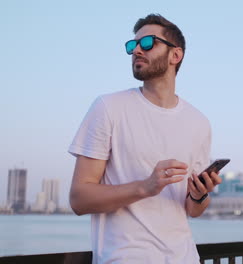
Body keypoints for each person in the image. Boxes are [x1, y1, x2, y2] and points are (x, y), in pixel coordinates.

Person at [68, 13, 221, 264]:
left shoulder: (199, 122)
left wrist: (199, 195)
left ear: (176, 55)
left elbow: (193, 210)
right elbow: (79, 199)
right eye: (132, 45)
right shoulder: (108, 107)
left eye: (148, 43)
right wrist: (145, 186)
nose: (137, 50)